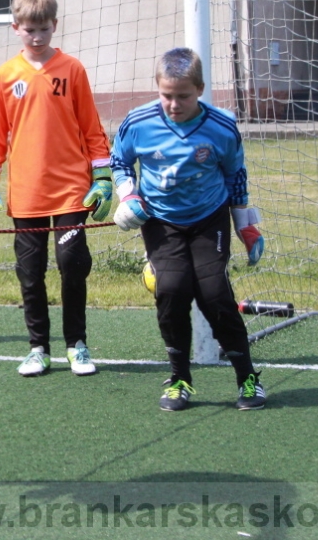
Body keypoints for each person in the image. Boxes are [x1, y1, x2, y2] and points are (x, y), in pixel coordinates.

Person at [110, 47, 267, 411]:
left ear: (200, 88)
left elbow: (235, 174)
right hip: (161, 221)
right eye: (167, 95)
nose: (174, 104)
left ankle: (247, 378)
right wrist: (127, 195)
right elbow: (119, 160)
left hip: (208, 218)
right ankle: (179, 378)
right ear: (157, 88)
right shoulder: (138, 123)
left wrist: (247, 227)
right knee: (172, 289)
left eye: (183, 96)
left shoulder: (222, 126)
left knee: (214, 293)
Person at [0, 0, 112, 378]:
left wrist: (102, 177)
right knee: (30, 272)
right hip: (26, 194)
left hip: (71, 190)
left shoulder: (73, 70)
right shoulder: (4, 77)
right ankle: (38, 348)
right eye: (29, 29)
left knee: (73, 264)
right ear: (15, 27)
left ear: (55, 25)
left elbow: (92, 129)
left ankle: (77, 344)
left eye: (44, 29)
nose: (37, 37)